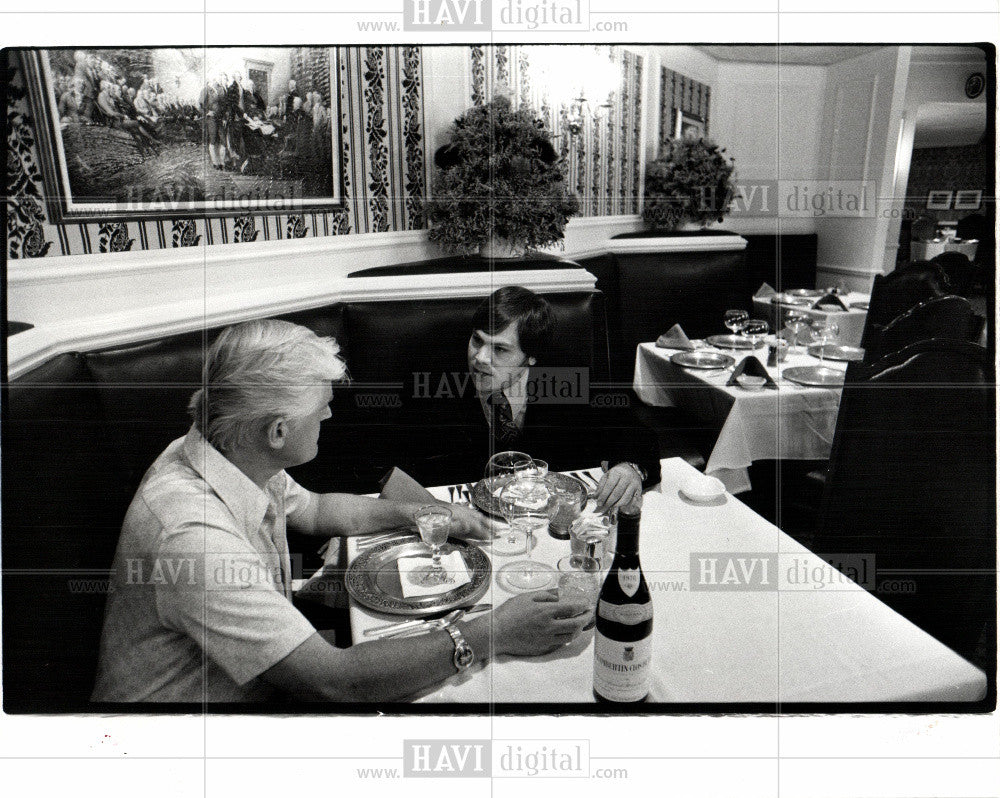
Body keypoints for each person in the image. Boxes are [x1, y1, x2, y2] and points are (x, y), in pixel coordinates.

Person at [92, 319, 590, 703]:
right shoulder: (192, 537)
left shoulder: (225, 447)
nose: (330, 415)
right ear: (279, 431)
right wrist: (495, 631)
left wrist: (421, 513)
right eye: (322, 408)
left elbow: (315, 510)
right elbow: (334, 683)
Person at [403, 286, 661, 512]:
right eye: (477, 340)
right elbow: (398, 472)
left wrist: (631, 468)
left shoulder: (565, 380)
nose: (480, 358)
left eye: (500, 349)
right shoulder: (434, 381)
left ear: (531, 357)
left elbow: (635, 433)